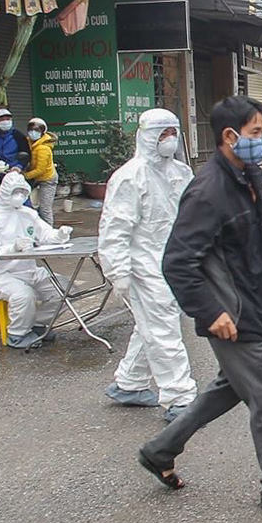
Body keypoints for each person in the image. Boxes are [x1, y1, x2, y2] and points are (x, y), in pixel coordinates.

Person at [137, 96, 262, 517]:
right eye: (257, 133)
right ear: (229, 137)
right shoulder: (208, 191)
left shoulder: (248, 175)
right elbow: (177, 262)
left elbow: (247, 238)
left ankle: (160, 450)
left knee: (230, 389)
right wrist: (209, 312)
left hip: (250, 301)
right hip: (230, 314)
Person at [99, 109, 196, 418]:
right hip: (142, 265)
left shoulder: (181, 172)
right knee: (163, 328)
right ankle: (180, 398)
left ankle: (129, 383)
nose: (168, 140)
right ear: (146, 136)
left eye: (172, 133)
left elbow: (193, 216)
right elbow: (116, 228)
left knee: (153, 325)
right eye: (161, 134)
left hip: (173, 261)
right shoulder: (130, 176)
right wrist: (118, 272)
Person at [0, 171, 71, 351]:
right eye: (15, 192)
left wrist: (59, 235)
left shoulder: (27, 214)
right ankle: (18, 334)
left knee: (65, 289)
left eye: (23, 192)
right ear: (4, 192)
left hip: (28, 270)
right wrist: (12, 248)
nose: (19, 197)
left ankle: (38, 325)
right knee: (23, 295)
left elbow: (45, 234)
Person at [22, 117, 58, 225]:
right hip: (36, 178)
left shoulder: (43, 148)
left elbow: (40, 170)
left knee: (45, 209)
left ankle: (49, 233)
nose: (33, 132)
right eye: (31, 129)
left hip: (47, 180)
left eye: (37, 130)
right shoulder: (29, 142)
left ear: (43, 132)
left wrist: (25, 175)